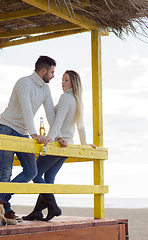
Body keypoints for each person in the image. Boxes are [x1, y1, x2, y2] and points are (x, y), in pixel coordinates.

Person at [22, 70, 96, 221]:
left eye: (66, 80)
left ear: (73, 83)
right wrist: (83, 144)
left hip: (58, 144)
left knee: (35, 173)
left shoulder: (66, 98)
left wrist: (50, 138)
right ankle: (37, 211)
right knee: (48, 176)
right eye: (62, 80)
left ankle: (53, 207)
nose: (62, 83)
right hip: (68, 146)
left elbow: (59, 121)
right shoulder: (77, 100)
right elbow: (81, 127)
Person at [0, 56, 56, 221]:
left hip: (23, 131)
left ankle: (1, 200)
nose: (53, 76)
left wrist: (57, 135)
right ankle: (4, 208)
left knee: (31, 170)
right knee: (6, 170)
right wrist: (34, 133)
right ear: (43, 71)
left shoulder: (45, 89)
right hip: (7, 127)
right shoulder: (24, 83)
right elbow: (26, 109)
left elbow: (50, 113)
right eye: (52, 72)